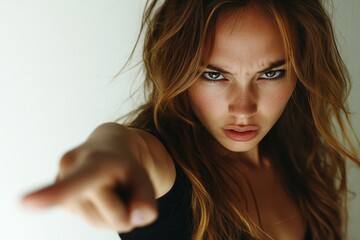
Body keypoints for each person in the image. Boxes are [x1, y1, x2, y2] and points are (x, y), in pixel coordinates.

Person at [22, 0, 360, 239]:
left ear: (299, 72)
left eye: (270, 73)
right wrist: (107, 152)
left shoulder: (298, 154)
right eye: (214, 75)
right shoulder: (171, 172)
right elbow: (130, 148)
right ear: (179, 71)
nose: (243, 108)